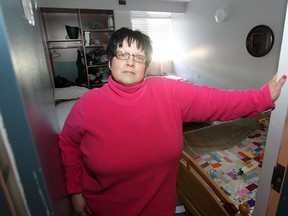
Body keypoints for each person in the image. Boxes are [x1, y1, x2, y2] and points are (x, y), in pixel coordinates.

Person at [59, 27, 286, 216]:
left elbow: (217, 101)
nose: (130, 62)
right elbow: (68, 143)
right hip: (104, 210)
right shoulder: (89, 104)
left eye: (138, 57)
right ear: (110, 62)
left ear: (145, 66)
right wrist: (75, 191)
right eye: (122, 54)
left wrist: (263, 97)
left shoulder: (168, 92)